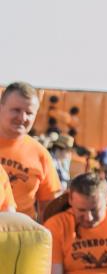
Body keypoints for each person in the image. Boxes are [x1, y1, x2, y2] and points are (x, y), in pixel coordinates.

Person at [0, 81, 62, 220]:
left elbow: (50, 206)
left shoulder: (40, 154)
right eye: (16, 110)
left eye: (29, 113)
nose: (22, 118)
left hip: (19, 237)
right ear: (1, 107)